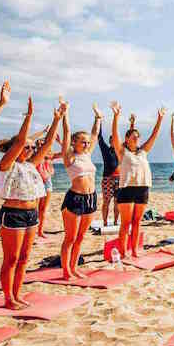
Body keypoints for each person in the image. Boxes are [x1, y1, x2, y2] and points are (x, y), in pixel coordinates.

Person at [0, 97, 62, 309]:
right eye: (28, 146)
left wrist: (57, 119)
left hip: (31, 215)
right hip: (13, 214)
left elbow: (49, 143)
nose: (32, 149)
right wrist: (29, 116)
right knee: (12, 258)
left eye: (33, 147)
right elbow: (19, 142)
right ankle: (8, 299)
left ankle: (16, 294)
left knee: (24, 257)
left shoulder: (32, 165)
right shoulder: (8, 164)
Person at [111, 102, 165, 258]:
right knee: (125, 223)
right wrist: (116, 117)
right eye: (134, 137)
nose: (137, 139)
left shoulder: (143, 151)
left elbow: (154, 135)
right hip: (126, 189)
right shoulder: (122, 151)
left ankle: (134, 251)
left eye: (138, 137)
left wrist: (159, 119)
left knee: (137, 222)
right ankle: (123, 252)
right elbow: (115, 136)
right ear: (127, 139)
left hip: (143, 188)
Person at [59, 102, 101, 279]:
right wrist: (65, 114)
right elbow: (67, 133)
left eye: (87, 142)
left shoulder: (87, 154)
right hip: (75, 199)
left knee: (81, 237)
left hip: (91, 198)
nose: (86, 144)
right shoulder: (69, 157)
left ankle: (74, 267)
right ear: (74, 143)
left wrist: (98, 117)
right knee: (70, 238)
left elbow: (95, 134)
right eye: (82, 142)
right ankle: (66, 271)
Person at [98, 120, 120, 227]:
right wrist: (99, 121)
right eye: (112, 140)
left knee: (117, 202)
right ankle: (105, 222)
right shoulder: (106, 150)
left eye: (115, 140)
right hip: (108, 179)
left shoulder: (121, 150)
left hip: (119, 179)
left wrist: (132, 124)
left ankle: (116, 222)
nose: (113, 141)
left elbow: (129, 139)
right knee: (106, 202)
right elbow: (99, 138)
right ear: (110, 141)